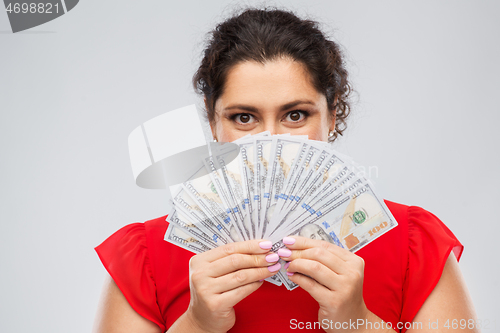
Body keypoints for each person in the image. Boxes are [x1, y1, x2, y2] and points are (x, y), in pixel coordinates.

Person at [92, 7, 478, 333]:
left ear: (332, 114)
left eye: (296, 115)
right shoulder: (144, 258)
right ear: (212, 123)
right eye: (244, 117)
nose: (269, 142)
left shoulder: (414, 245)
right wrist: (196, 323)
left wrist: (358, 322)